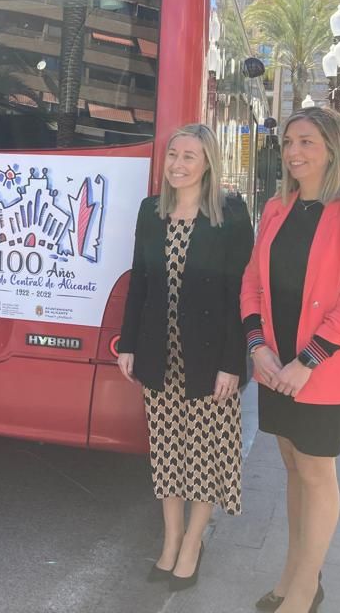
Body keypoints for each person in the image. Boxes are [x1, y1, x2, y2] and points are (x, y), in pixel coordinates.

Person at [241, 107, 340, 613]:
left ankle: (303, 593)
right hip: (275, 367)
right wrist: (258, 347)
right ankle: (296, 573)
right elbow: (252, 282)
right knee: (292, 467)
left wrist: (307, 360)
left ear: (332, 147)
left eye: (306, 142)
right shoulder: (278, 208)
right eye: (288, 143)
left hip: (322, 371)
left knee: (317, 472)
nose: (295, 152)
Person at [116, 124, 253, 592]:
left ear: (208, 162)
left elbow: (242, 294)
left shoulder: (231, 215)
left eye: (189, 156)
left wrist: (235, 363)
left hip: (211, 359)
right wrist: (127, 342)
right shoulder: (150, 212)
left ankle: (193, 543)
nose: (178, 164)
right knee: (168, 453)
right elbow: (141, 281)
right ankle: (170, 540)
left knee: (206, 455)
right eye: (173, 154)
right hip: (160, 353)